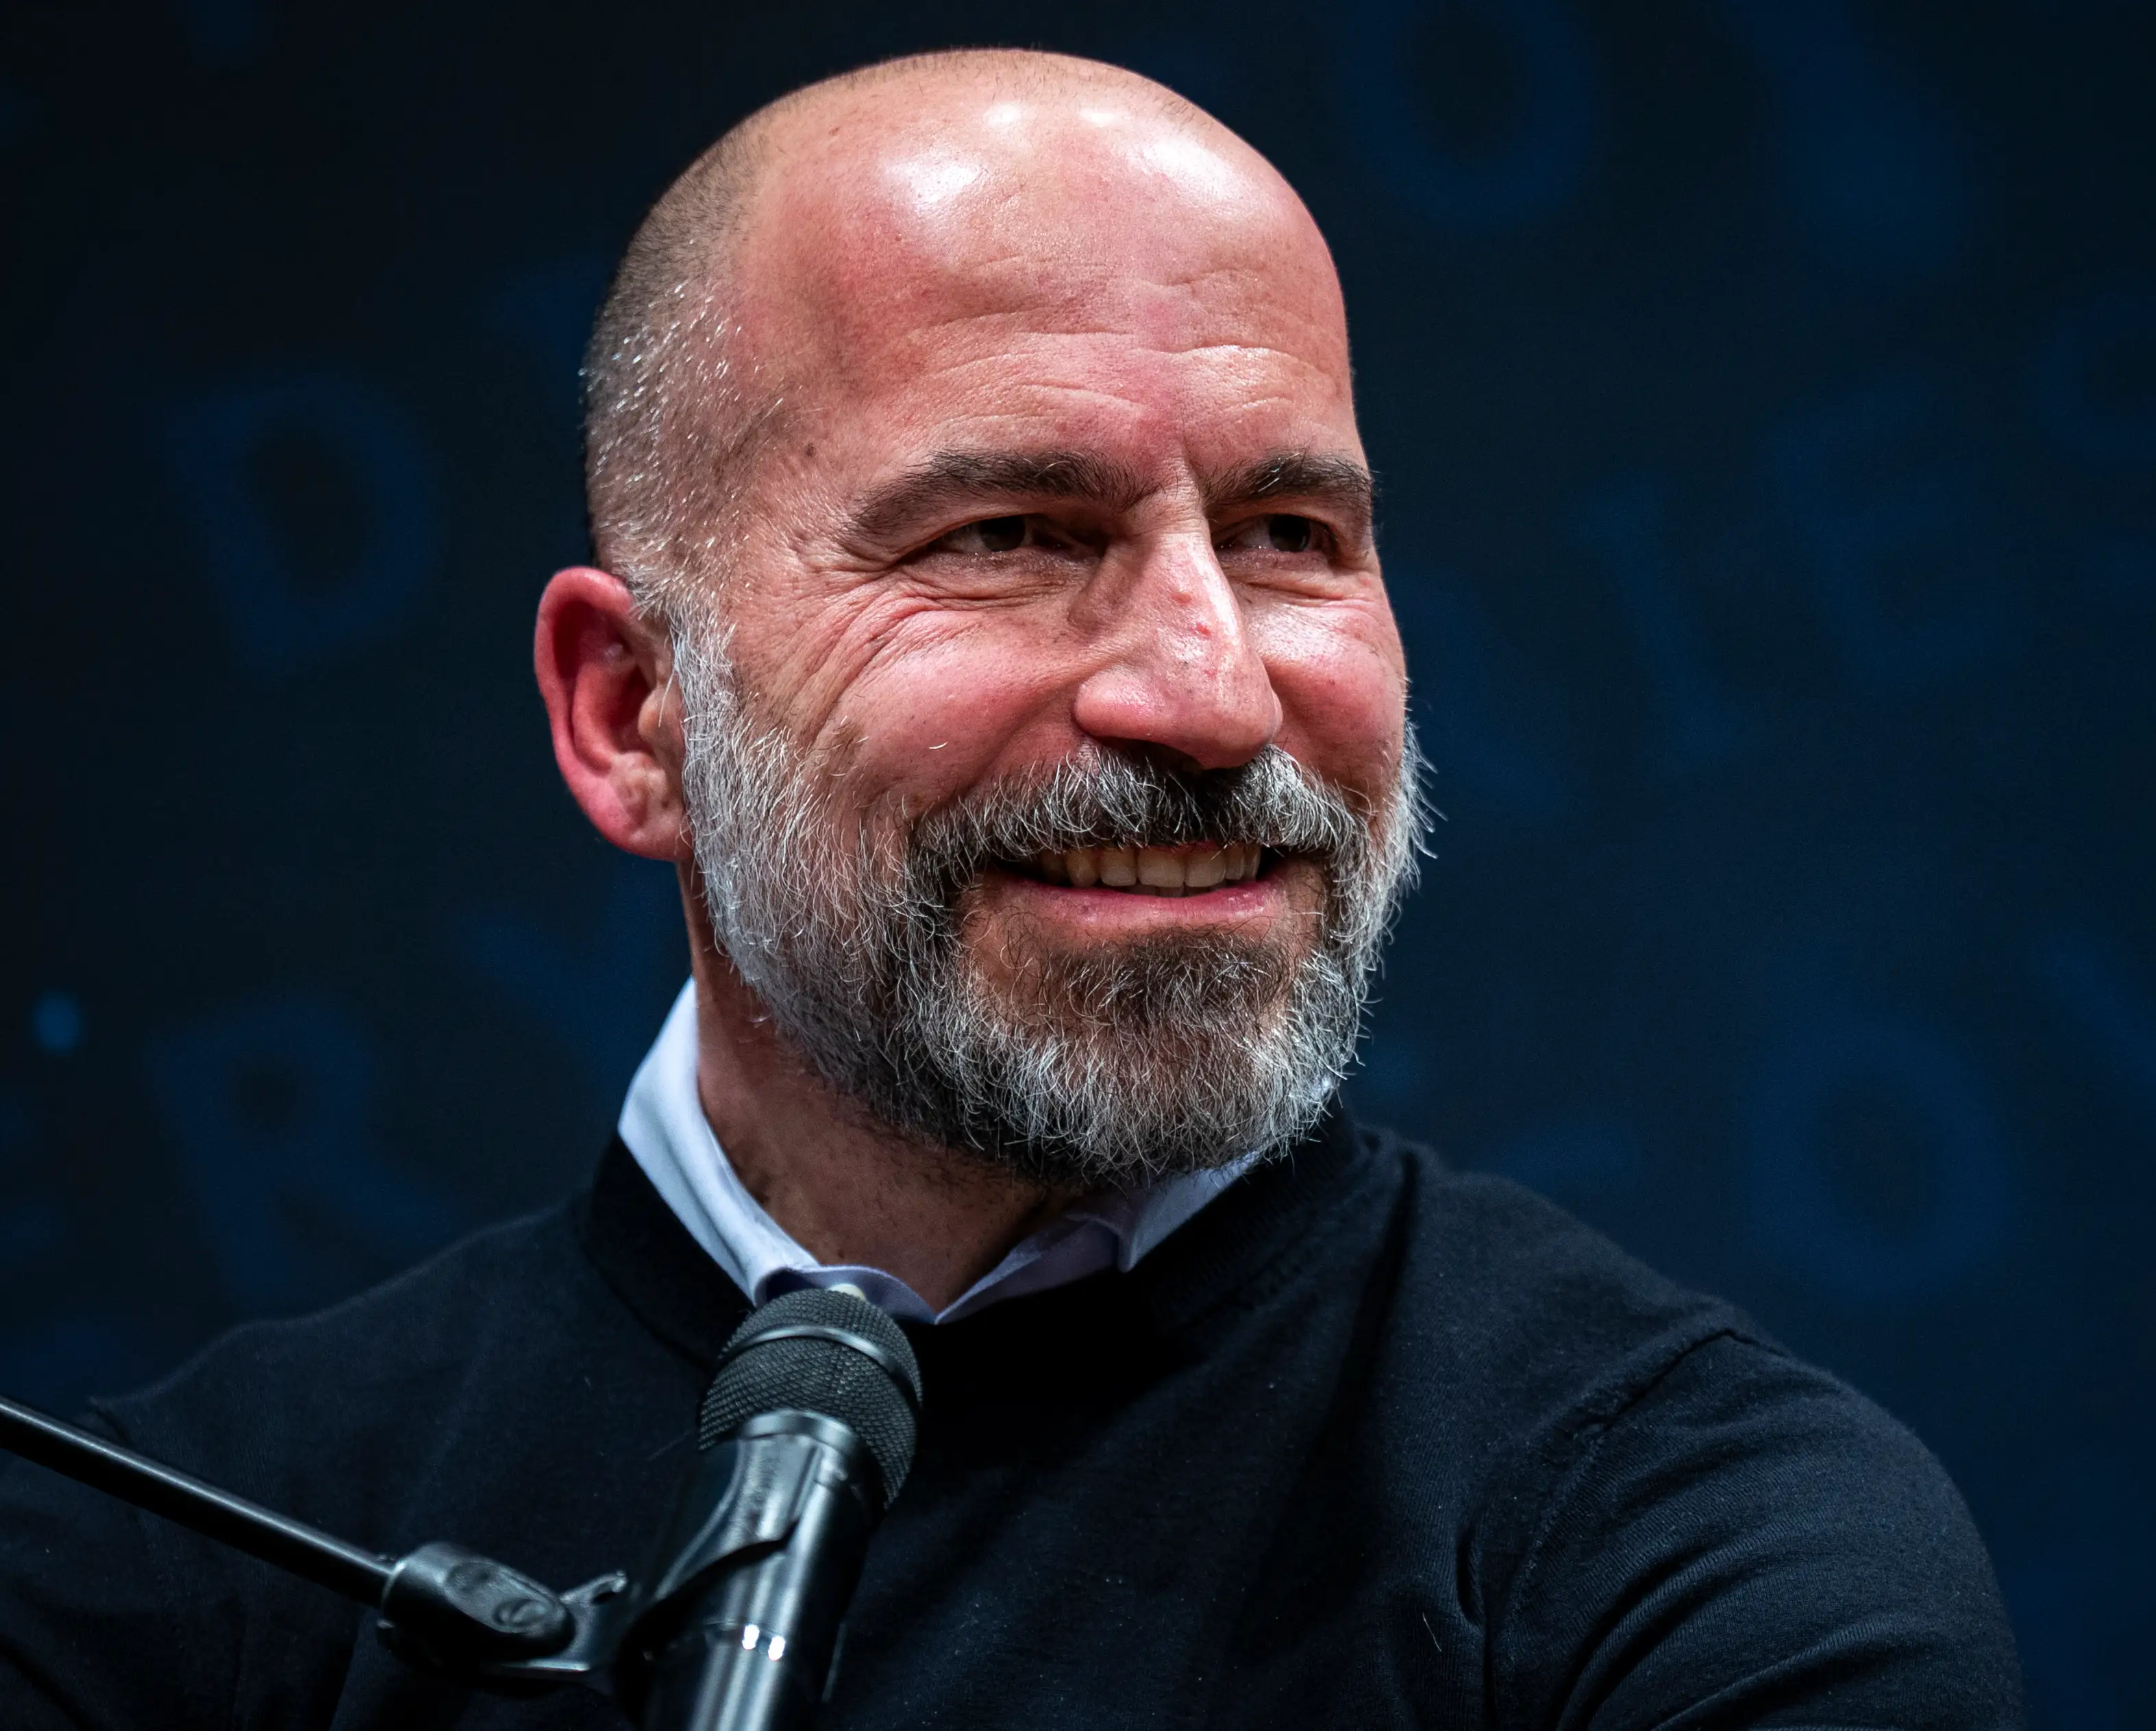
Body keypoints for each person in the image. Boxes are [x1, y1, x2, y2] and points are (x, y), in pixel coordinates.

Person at [0, 50, 2024, 1729]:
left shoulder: (1698, 1556)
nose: (1211, 689)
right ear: (634, 716)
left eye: (1291, 530)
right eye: (1008, 531)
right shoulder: (165, 1570)